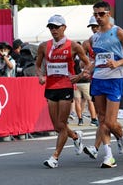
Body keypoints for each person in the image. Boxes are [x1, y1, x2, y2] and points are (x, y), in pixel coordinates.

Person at [86, 1, 123, 168]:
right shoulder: (94, 38)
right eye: (96, 14)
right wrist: (87, 70)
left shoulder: (118, 32)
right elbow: (97, 60)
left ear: (108, 14)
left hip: (114, 79)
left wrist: (118, 63)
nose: (98, 18)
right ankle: (108, 155)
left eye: (101, 14)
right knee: (101, 120)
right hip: (98, 79)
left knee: (110, 122)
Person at [35, 14, 91, 168]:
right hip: (51, 88)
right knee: (57, 126)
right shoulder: (43, 46)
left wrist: (79, 76)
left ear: (64, 28)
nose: (53, 30)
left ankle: (55, 157)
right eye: (51, 27)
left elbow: (88, 64)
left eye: (56, 27)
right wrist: (40, 76)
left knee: (61, 123)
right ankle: (75, 136)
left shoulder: (73, 46)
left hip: (66, 86)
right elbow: (38, 66)